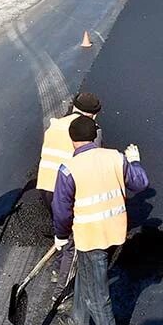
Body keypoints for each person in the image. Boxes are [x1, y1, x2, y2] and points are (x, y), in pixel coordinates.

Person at [52, 116, 149, 325]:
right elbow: (140, 183)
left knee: (97, 293)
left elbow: (61, 209)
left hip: (90, 235)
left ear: (72, 140)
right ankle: (79, 320)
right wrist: (135, 161)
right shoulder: (115, 157)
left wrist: (60, 236)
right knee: (85, 274)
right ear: (94, 137)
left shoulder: (68, 169)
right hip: (114, 230)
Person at [37, 92, 102, 290]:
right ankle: (62, 289)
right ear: (93, 115)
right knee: (74, 239)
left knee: (62, 230)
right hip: (66, 189)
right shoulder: (91, 130)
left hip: (46, 186)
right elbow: (92, 162)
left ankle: (59, 265)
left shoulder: (55, 125)